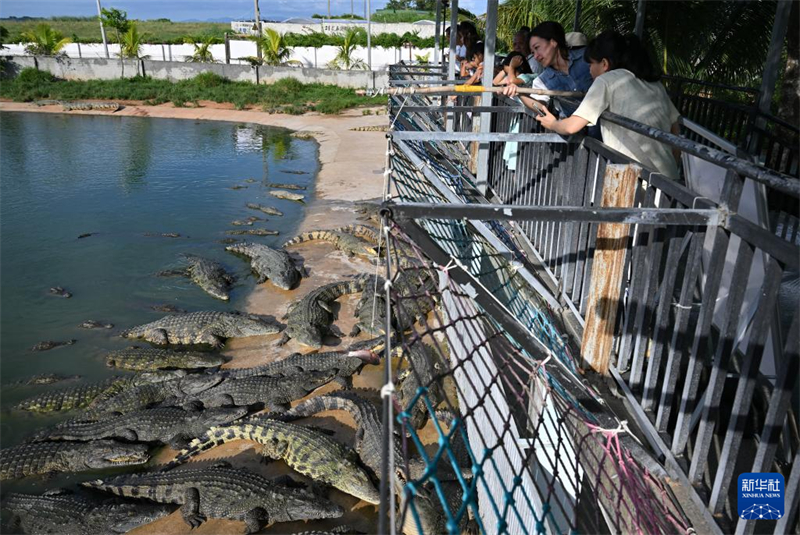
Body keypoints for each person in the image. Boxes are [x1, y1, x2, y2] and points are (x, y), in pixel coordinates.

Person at [531, 31, 682, 180]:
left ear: (604, 64)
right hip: (666, 181)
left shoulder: (606, 81)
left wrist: (553, 123)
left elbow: (571, 126)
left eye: (590, 64)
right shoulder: (654, 83)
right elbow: (675, 129)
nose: (589, 70)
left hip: (628, 177)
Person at [503, 21, 593, 115]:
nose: (536, 56)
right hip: (574, 127)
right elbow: (541, 107)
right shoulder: (542, 80)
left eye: (537, 47)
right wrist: (519, 93)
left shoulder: (589, 57)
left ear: (553, 42)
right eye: (533, 52)